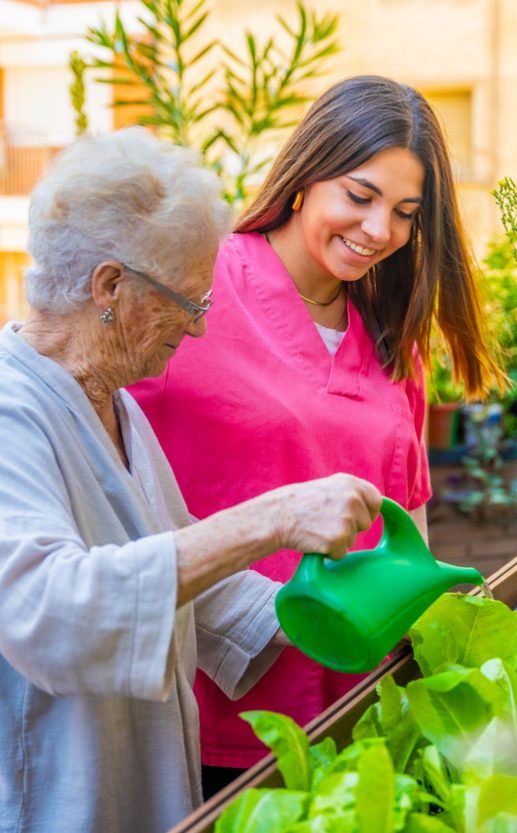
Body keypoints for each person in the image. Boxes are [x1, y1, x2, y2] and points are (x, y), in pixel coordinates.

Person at [0, 127, 383, 833]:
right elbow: (47, 610)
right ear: (110, 286)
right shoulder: (11, 411)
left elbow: (194, 587)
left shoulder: (109, 400)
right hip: (51, 801)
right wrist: (271, 517)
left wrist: (352, 608)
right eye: (188, 301)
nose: (200, 329)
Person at [131, 75, 505, 796]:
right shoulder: (199, 284)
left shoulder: (395, 336)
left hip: (363, 713)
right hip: (220, 720)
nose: (379, 231)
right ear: (306, 175)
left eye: (404, 212)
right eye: (359, 197)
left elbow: (410, 529)